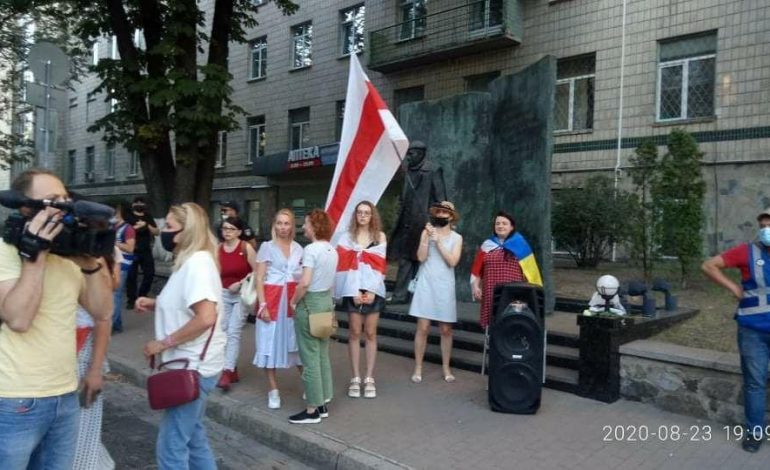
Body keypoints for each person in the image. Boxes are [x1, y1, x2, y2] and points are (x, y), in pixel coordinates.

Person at [0, 168, 113, 469]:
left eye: (65, 198)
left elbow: (102, 312)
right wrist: (34, 256)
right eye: (52, 200)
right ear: (26, 207)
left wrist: (89, 264)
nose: (64, 207)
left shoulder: (68, 257)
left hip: (64, 395)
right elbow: (18, 319)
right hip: (15, 399)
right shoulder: (5, 251)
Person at [136, 202, 225, 469]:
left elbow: (206, 316)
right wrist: (156, 303)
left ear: (188, 231)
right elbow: (188, 304)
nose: (164, 231)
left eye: (170, 226)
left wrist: (162, 343)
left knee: (171, 445)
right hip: (190, 363)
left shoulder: (197, 263)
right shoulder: (190, 262)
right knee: (194, 439)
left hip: (193, 365)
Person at [702, 208, 770, 453]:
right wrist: (733, 288)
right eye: (763, 225)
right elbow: (709, 265)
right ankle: (755, 433)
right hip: (752, 331)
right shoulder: (746, 251)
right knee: (755, 384)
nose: (766, 229)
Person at [288, 209, 338, 424]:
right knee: (321, 354)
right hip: (326, 303)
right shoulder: (332, 250)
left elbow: (305, 282)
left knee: (309, 357)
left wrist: (293, 301)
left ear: (315, 227)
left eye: (306, 223)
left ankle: (312, 410)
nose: (303, 227)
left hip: (310, 304)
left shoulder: (310, 250)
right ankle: (323, 401)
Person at [335, 201, 387, 399]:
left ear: (372, 215)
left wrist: (372, 291)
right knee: (355, 332)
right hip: (352, 288)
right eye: (360, 213)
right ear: (355, 215)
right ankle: (355, 377)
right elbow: (343, 266)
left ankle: (369, 377)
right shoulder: (347, 238)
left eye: (367, 213)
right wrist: (353, 291)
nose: (363, 216)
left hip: (373, 288)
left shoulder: (379, 237)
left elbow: (380, 266)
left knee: (371, 332)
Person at [74, 248, 121, 470]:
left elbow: (104, 317)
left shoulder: (93, 261)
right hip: (67, 349)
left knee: (83, 427)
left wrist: (94, 370)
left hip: (83, 349)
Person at [254, 209, 304, 409]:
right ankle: (273, 389)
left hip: (291, 300)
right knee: (269, 344)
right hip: (272, 299)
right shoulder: (267, 247)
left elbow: (302, 275)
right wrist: (263, 304)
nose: (283, 227)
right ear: (274, 225)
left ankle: (310, 385)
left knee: (296, 345)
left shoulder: (299, 248)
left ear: (292, 226)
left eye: (287, 223)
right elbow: (259, 277)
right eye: (280, 223)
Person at [409, 201, 463, 384]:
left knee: (446, 329)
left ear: (451, 217)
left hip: (445, 286)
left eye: (444, 212)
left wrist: (438, 242)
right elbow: (421, 257)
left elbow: (452, 261)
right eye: (438, 211)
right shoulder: (427, 232)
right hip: (426, 284)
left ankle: (446, 367)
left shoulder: (457, 238)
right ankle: (418, 367)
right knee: (422, 327)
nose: (440, 215)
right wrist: (426, 239)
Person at [389, 141, 447, 303]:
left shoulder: (432, 170)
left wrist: (435, 224)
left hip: (423, 225)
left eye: (412, 153)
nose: (409, 156)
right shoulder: (408, 171)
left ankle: (413, 296)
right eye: (408, 153)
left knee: (418, 261)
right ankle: (401, 296)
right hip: (407, 223)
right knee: (406, 260)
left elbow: (441, 199)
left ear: (421, 153)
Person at [470, 211, 543, 329]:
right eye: (497, 223)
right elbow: (477, 269)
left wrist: (533, 295)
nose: (500, 226)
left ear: (511, 227)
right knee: (492, 325)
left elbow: (531, 271)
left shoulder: (520, 244)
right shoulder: (487, 245)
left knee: (511, 324)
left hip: (513, 293)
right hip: (491, 292)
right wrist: (475, 286)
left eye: (504, 223)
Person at [216, 217, 257, 392]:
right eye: (225, 228)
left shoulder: (245, 248)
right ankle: (231, 368)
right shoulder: (218, 249)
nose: (227, 232)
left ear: (239, 232)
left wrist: (240, 283)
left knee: (233, 331)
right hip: (223, 294)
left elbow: (258, 272)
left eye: (232, 229)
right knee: (222, 330)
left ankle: (227, 371)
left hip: (241, 294)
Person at [125, 196, 159, 308]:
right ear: (133, 204)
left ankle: (142, 296)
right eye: (137, 202)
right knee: (131, 276)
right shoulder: (128, 216)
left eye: (141, 203)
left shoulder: (148, 216)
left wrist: (146, 225)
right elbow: (126, 230)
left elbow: (156, 231)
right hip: (132, 250)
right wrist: (137, 226)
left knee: (150, 273)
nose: (139, 204)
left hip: (145, 250)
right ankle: (131, 300)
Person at [111, 203, 135, 333]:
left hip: (123, 264)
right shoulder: (114, 226)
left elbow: (130, 248)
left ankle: (112, 325)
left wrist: (113, 242)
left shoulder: (128, 228)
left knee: (115, 295)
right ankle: (117, 325)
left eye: (118, 211)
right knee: (115, 294)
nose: (116, 212)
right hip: (115, 262)